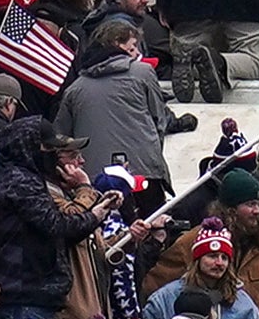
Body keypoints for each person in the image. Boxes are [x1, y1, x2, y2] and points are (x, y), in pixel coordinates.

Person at [51, 17, 172, 191]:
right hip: (143, 172)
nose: (137, 52)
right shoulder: (143, 73)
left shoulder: (74, 89)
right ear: (117, 44)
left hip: (94, 179)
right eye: (132, 47)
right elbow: (159, 120)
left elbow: (62, 137)